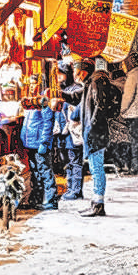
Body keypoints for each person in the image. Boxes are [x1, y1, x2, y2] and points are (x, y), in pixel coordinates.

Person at [79, 57, 119, 217]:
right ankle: (96, 202)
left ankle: (98, 204)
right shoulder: (92, 83)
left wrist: (92, 127)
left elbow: (99, 106)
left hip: (96, 132)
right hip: (96, 131)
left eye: (76, 70)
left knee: (96, 168)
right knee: (95, 167)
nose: (75, 74)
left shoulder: (97, 82)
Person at [60, 61, 92, 200]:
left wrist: (72, 116)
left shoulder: (78, 89)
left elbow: (76, 110)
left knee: (75, 161)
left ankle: (75, 190)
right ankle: (72, 189)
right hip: (70, 132)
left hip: (74, 132)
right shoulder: (73, 88)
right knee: (72, 161)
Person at [21, 97, 58, 210]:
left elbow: (48, 126)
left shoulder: (45, 110)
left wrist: (44, 142)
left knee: (45, 171)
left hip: (39, 145)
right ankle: (37, 199)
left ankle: (51, 200)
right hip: (31, 144)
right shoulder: (31, 111)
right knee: (35, 173)